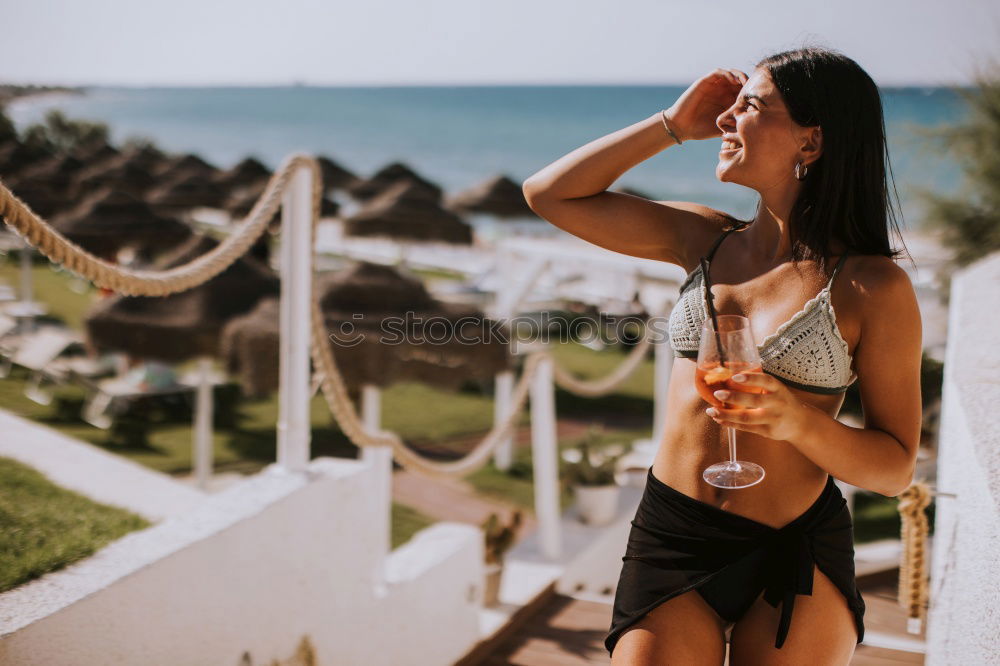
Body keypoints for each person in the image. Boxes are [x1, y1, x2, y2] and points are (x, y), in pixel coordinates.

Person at [523, 46, 922, 666]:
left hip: (794, 551)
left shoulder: (873, 287)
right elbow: (550, 195)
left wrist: (796, 420)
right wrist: (672, 126)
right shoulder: (703, 238)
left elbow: (895, 467)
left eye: (751, 107)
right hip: (672, 534)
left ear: (810, 144)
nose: (727, 119)